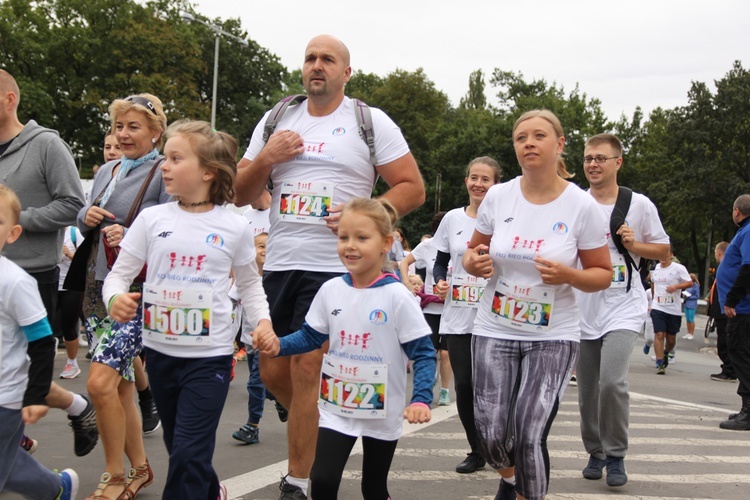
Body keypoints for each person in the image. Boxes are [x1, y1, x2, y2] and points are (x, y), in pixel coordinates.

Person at [233, 34, 425, 499]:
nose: (317, 65)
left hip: (335, 268)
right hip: (280, 263)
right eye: (310, 58)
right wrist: (267, 158)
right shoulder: (277, 118)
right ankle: (311, 412)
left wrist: (366, 214)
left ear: (346, 72)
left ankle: (298, 480)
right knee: (273, 364)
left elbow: (412, 187)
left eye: (328, 59)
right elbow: (238, 193)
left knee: (305, 366)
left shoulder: (368, 121)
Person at [105, 119, 273, 499]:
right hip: (160, 356)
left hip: (209, 359)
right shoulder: (152, 220)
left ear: (208, 172)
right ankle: (211, 490)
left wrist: (262, 323)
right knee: (180, 448)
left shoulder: (235, 226)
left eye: (175, 158)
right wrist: (115, 299)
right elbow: (118, 278)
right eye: (164, 157)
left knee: (187, 452)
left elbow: (248, 284)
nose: (163, 165)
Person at [462, 109, 611, 500]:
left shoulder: (582, 207)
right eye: (521, 137)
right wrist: (474, 262)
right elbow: (471, 252)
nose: (528, 142)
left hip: (554, 335)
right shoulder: (498, 195)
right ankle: (512, 480)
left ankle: (526, 490)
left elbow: (602, 274)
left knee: (529, 433)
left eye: (539, 135)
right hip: (495, 326)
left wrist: (570, 276)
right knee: (491, 434)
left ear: (559, 144)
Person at [255, 197, 435, 500]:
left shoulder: (397, 297)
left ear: (385, 243)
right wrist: (278, 346)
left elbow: (423, 353)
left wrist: (421, 400)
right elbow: (310, 338)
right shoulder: (330, 290)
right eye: (343, 237)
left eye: (362, 238)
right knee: (323, 481)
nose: (350, 246)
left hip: (380, 410)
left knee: (373, 489)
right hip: (336, 406)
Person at [0, 69, 98, 459]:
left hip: (30, 272)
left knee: (22, 371)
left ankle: (74, 409)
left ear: (9, 100)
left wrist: (14, 221)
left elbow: (73, 205)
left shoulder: (46, 145)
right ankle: (24, 436)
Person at [78, 94, 171, 499]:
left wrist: (131, 236)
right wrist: (87, 217)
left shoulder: (165, 171)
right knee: (119, 388)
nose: (124, 134)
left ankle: (114, 476)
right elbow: (83, 215)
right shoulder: (109, 169)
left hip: (135, 293)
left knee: (100, 384)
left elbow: (172, 233)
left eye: (134, 127)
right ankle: (141, 469)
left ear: (156, 133)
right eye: (119, 126)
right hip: (97, 286)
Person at [574, 133, 670, 487]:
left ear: (618, 163)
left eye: (601, 158)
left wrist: (635, 243)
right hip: (583, 307)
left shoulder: (638, 204)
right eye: (588, 158)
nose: (593, 165)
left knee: (612, 382)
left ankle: (615, 456)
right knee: (587, 389)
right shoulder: (574, 203)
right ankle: (594, 451)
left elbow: (663, 252)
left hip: (624, 305)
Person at [0, 185, 79, 500]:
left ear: (13, 233)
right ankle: (56, 489)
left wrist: (35, 396)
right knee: (8, 465)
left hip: (5, 398)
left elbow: (43, 342)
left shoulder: (15, 282)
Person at [432, 156, 502, 474]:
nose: (478, 184)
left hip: (494, 316)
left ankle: (501, 442)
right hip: (458, 314)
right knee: (465, 384)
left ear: (495, 184)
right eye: (473, 177)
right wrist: (440, 281)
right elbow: (440, 259)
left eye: (485, 179)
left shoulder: (506, 220)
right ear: (466, 182)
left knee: (495, 386)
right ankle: (476, 449)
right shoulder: (451, 220)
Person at [399, 212, 451, 405]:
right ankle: (427, 387)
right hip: (429, 308)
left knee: (446, 353)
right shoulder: (427, 246)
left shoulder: (461, 245)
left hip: (451, 308)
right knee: (430, 352)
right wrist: (406, 282)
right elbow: (405, 262)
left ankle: (445, 390)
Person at [232, 231, 271, 445]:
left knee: (256, 382)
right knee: (266, 382)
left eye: (268, 245)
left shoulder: (276, 276)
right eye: (260, 246)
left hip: (269, 341)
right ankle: (280, 401)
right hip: (249, 341)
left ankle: (252, 425)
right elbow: (229, 299)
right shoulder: (247, 277)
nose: (265, 249)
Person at [715, 194, 750, 430]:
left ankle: (748, 411)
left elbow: (747, 267)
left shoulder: (747, 231)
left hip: (743, 308)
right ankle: (745, 408)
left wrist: (732, 298)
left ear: (737, 211)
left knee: (741, 355)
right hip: (742, 307)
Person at [650, 248, 692, 374]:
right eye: (660, 254)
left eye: (666, 255)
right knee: (659, 334)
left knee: (671, 339)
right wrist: (653, 299)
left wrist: (676, 287)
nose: (663, 257)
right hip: (658, 307)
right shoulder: (655, 268)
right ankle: (659, 362)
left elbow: (690, 283)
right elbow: (652, 283)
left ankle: (666, 352)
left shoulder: (678, 268)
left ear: (671, 255)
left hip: (673, 309)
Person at [57, 224, 85, 379]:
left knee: (68, 326)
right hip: (51, 284)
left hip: (71, 286)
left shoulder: (75, 234)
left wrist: (69, 254)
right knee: (47, 325)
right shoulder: (50, 232)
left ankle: (72, 363)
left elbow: (84, 261)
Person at [710, 242, 736, 381]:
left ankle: (729, 370)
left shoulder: (725, 267)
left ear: (719, 252)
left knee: (725, 342)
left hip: (723, 309)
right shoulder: (726, 266)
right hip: (721, 309)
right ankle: (729, 368)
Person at [682, 273, 701, 340]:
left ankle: (691, 333)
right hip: (686, 303)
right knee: (687, 319)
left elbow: (697, 296)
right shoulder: (688, 285)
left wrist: (689, 296)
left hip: (692, 304)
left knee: (691, 319)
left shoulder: (695, 286)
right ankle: (688, 332)